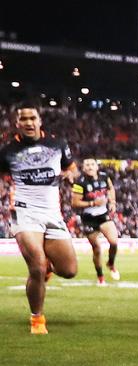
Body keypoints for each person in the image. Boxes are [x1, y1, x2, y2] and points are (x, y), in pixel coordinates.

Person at [0, 101, 78, 334]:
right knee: (36, 265)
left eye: (32, 118)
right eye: (23, 119)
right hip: (25, 211)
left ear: (40, 121)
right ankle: (37, 319)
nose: (28, 123)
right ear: (17, 124)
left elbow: (72, 168)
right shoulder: (7, 152)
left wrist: (69, 175)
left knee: (70, 270)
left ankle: (49, 268)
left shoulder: (58, 144)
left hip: (52, 213)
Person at [71, 158, 120, 285]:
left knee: (114, 242)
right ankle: (100, 277)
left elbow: (111, 189)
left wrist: (113, 202)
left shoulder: (104, 177)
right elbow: (75, 202)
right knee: (97, 249)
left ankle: (111, 263)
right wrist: (93, 203)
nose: (89, 167)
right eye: (86, 164)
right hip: (88, 219)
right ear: (83, 168)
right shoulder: (80, 182)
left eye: (92, 164)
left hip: (103, 215)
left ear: (96, 167)